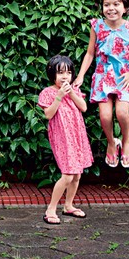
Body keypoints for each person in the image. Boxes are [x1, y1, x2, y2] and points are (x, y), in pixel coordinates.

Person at [74, 0, 129, 169]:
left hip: (123, 78)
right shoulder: (96, 26)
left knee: (122, 112)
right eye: (107, 5)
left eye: (116, 4)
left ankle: (126, 141)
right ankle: (112, 143)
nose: (111, 8)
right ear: (102, 7)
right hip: (102, 78)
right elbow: (90, 54)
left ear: (126, 7)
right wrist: (81, 75)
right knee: (105, 117)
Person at [38, 54, 93, 225]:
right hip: (62, 136)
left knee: (76, 174)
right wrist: (60, 95)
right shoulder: (48, 92)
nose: (65, 76)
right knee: (68, 174)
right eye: (60, 72)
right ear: (52, 74)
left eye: (68, 73)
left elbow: (83, 107)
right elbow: (48, 114)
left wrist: (71, 94)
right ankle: (51, 209)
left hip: (76, 134)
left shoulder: (74, 89)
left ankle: (68, 205)